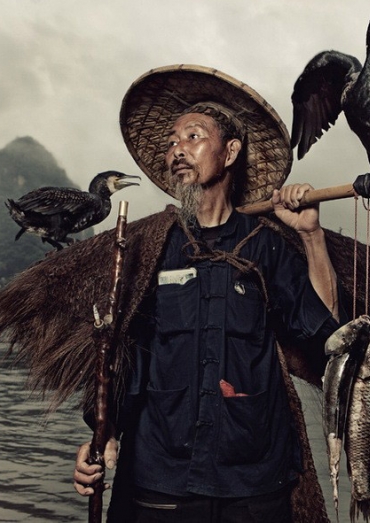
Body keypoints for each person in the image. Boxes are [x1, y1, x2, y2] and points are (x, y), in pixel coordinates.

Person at [71, 66, 343, 522]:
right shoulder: (150, 246)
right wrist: (102, 437)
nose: (177, 150)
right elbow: (121, 358)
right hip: (160, 480)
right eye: (172, 142)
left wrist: (312, 237)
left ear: (231, 151)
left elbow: (325, 337)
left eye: (193, 137)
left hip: (254, 483)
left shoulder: (266, 245)